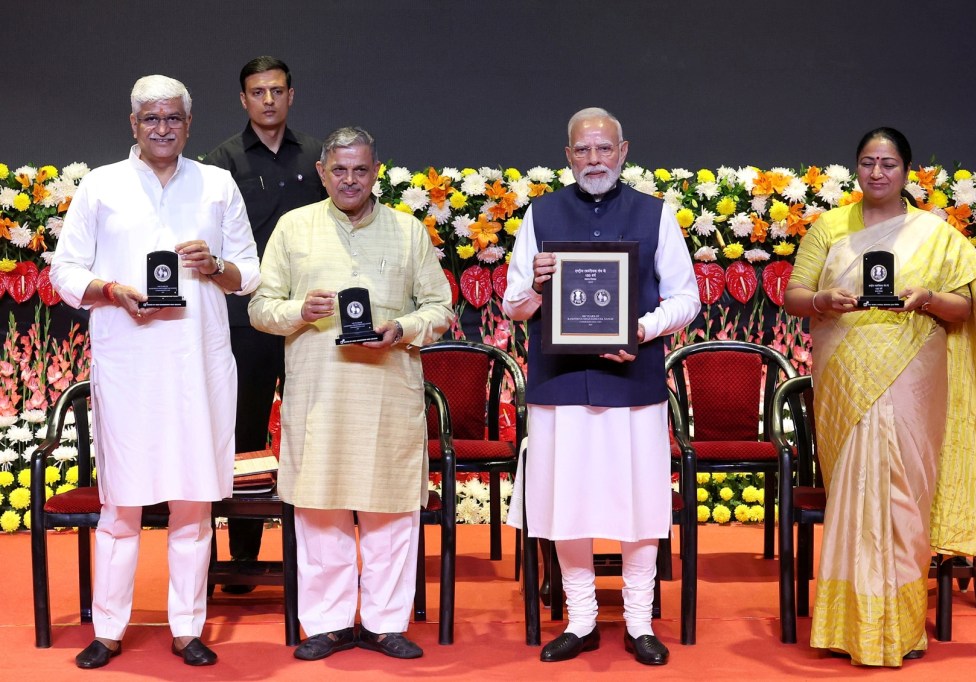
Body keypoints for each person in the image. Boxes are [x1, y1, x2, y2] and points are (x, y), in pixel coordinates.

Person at [50, 74, 260, 669]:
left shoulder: (216, 184)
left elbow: (250, 273)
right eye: (151, 118)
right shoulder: (101, 185)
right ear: (133, 124)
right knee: (120, 506)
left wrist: (214, 265)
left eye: (172, 118)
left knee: (193, 503)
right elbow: (65, 272)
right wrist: (112, 290)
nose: (162, 128)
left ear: (189, 125)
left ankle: (187, 628)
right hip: (129, 365)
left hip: (198, 366)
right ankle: (109, 629)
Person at [784, 127, 976, 667]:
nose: (876, 172)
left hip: (913, 378)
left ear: (906, 171)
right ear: (856, 167)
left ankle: (898, 627)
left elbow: (965, 306)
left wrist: (927, 299)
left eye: (888, 163)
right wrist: (823, 300)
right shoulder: (829, 227)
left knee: (903, 493)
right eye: (867, 162)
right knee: (855, 490)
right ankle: (845, 625)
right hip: (845, 380)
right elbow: (794, 296)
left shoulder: (934, 233)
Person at [502, 107, 701, 665]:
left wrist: (641, 329)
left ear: (623, 152)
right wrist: (536, 287)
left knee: (640, 502)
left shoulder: (655, 215)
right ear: (568, 156)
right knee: (567, 501)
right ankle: (581, 618)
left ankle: (639, 621)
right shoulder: (540, 214)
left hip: (632, 382)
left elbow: (687, 298)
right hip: (560, 383)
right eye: (583, 150)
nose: (595, 160)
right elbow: (514, 305)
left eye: (604, 148)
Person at [248, 126, 454, 661]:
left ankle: (387, 624)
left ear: (376, 171)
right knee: (320, 510)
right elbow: (260, 309)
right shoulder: (294, 228)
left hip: (388, 395)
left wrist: (402, 329)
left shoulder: (408, 231)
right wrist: (299, 311)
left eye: (360, 170)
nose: (349, 180)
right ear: (322, 173)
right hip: (319, 397)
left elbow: (441, 309)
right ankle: (328, 623)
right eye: (339, 170)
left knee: (390, 512)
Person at [205, 56, 325, 588]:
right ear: (244, 99)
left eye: (277, 90)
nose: (269, 100)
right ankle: (243, 560)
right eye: (258, 92)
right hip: (245, 319)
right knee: (246, 432)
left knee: (310, 430)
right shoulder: (221, 162)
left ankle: (315, 557)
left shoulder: (319, 157)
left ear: (291, 95)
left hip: (309, 318)